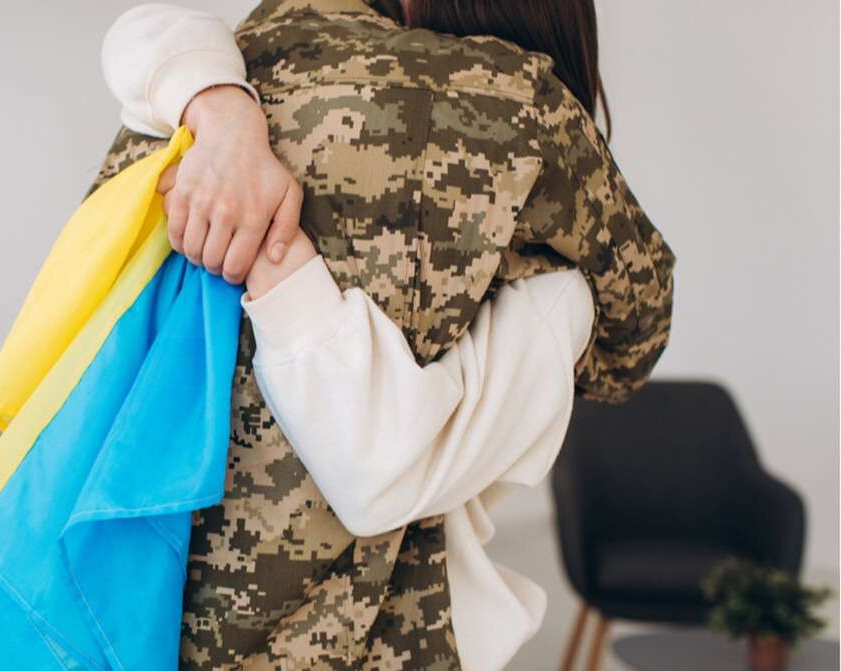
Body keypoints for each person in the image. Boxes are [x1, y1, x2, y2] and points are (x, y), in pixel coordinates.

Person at [91, 1, 676, 668]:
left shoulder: (223, 83)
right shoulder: (547, 235)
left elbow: (148, 31)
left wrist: (227, 125)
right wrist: (273, 246)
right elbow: (374, 477)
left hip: (130, 618)